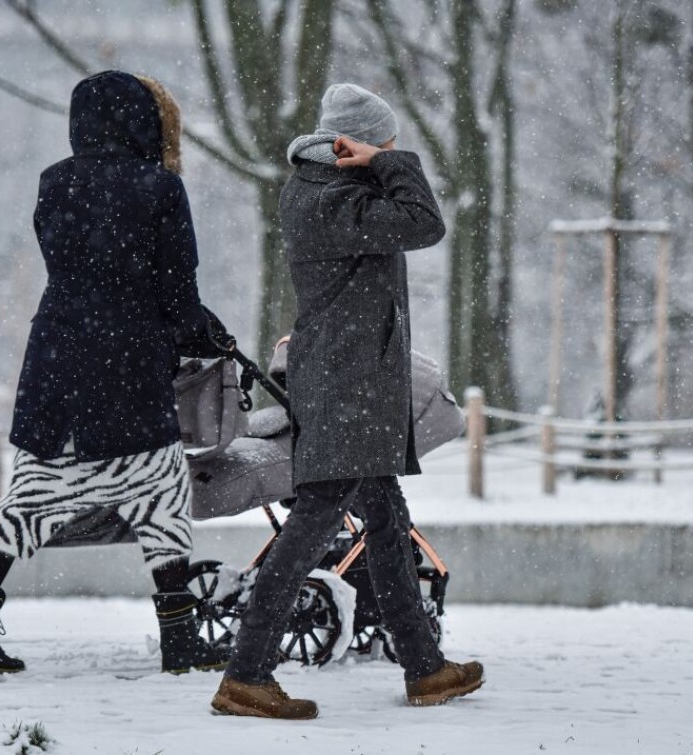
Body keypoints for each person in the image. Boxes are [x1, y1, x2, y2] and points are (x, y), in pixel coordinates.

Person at [210, 83, 484, 719]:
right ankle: (245, 675)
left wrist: (376, 160)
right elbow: (425, 222)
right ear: (349, 145)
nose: (389, 156)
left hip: (353, 382)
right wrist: (390, 163)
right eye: (381, 145)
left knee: (385, 522)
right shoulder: (330, 196)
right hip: (346, 387)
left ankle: (424, 668)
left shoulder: (330, 192)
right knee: (314, 524)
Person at [0, 70, 229, 677]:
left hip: (57, 354)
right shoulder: (159, 187)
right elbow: (176, 287)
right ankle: (179, 639)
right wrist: (200, 334)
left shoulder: (55, 181)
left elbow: (71, 260)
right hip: (127, 357)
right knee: (161, 494)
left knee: (30, 497)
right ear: (143, 123)